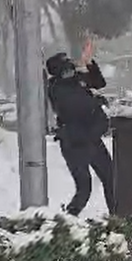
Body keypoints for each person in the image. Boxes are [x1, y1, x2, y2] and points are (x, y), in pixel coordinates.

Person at [46, 51, 115, 217]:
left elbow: (99, 82)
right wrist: (96, 101)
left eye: (70, 66)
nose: (71, 70)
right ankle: (69, 218)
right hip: (74, 143)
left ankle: (116, 216)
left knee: (111, 179)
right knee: (84, 187)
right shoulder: (57, 89)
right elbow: (77, 106)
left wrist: (89, 63)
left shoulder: (77, 79)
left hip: (92, 138)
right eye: (66, 69)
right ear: (58, 72)